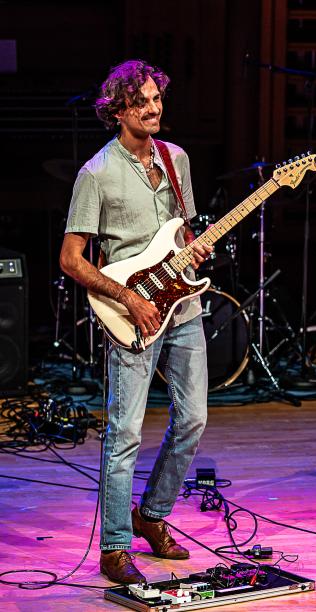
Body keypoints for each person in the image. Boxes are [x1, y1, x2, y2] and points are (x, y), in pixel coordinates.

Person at [59, 60, 213, 584]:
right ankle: (115, 547)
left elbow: (181, 234)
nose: (153, 108)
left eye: (156, 98)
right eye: (141, 101)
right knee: (124, 433)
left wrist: (195, 250)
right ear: (118, 111)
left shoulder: (176, 159)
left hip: (183, 308)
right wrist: (127, 296)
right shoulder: (96, 173)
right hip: (133, 314)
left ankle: (151, 514)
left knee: (193, 419)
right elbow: (71, 260)